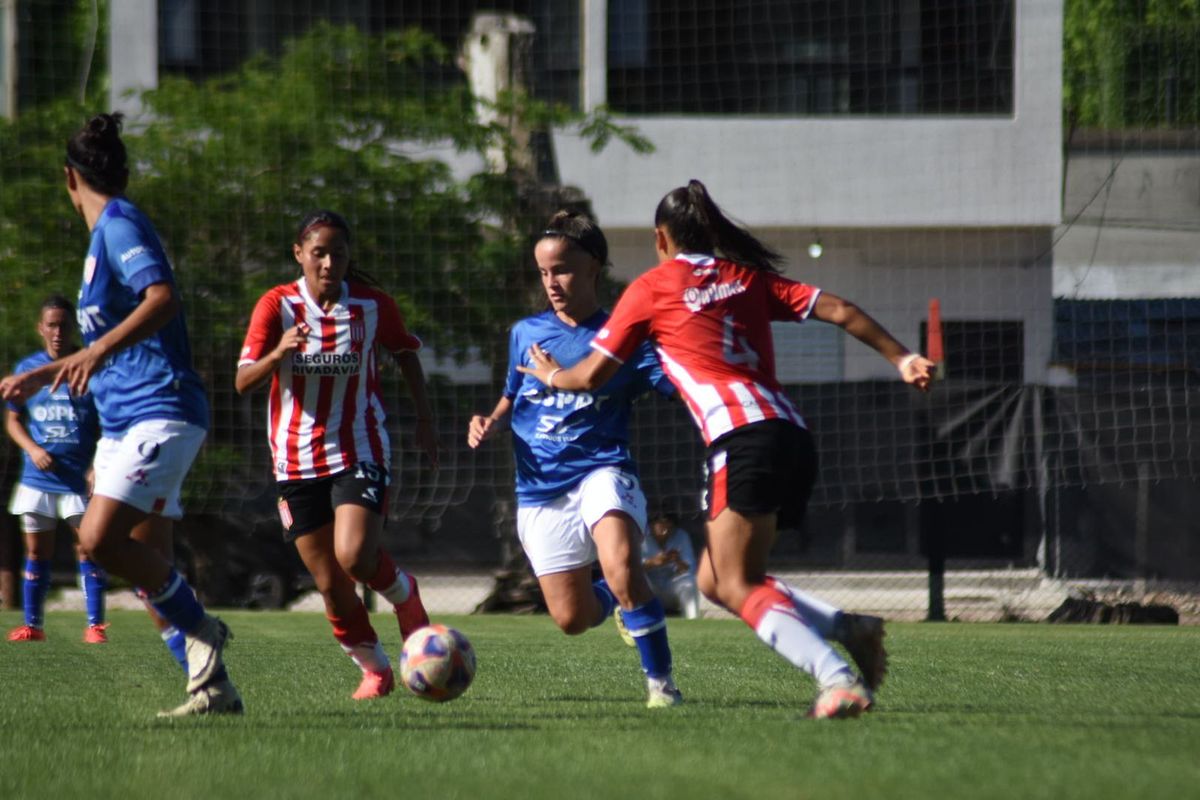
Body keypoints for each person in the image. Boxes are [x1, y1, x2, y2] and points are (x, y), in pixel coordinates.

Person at [518, 180, 935, 719]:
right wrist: (903, 359)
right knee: (717, 578)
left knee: (734, 582)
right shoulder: (744, 278)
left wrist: (554, 376)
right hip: (791, 433)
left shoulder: (652, 288)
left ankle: (836, 678)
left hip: (741, 439)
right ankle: (847, 627)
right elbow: (838, 308)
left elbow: (591, 376)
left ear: (661, 239)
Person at [0, 112, 241, 716]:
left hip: (159, 411)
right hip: (123, 421)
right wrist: (43, 374)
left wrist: (99, 348)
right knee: (146, 568)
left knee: (96, 539)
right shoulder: (101, 237)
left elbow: (162, 299)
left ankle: (205, 629)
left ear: (68, 178)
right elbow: (101, 348)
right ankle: (211, 690)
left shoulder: (118, 224)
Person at [468, 210, 683, 708]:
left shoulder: (625, 335)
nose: (552, 282)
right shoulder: (526, 332)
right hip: (540, 487)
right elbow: (512, 392)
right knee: (571, 619)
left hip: (602, 469)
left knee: (625, 567)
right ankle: (613, 597)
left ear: (594, 267)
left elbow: (676, 385)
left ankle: (662, 686)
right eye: (544, 272)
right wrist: (491, 420)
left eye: (562, 268)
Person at [235, 209, 438, 701]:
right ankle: (374, 667)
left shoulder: (372, 305)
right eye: (319, 252)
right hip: (294, 460)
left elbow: (406, 353)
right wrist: (279, 353)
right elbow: (243, 380)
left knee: (354, 557)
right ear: (299, 254)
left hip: (358, 448)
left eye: (338, 253)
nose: (328, 262)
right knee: (328, 582)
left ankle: (404, 595)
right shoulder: (276, 306)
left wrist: (425, 421)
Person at [6, 295, 106, 644]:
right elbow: (13, 420)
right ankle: (33, 625)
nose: (58, 331)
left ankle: (95, 625)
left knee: (88, 549)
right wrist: (32, 449)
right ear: (41, 329)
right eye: (51, 324)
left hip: (78, 479)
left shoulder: (88, 367)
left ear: (73, 327)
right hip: (37, 480)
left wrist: (96, 465)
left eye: (64, 324)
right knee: (36, 552)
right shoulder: (27, 369)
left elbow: (109, 423)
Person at [642, 513, 700, 620]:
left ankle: (693, 621)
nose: (666, 527)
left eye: (669, 522)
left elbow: (690, 569)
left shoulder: (681, 536)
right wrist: (653, 562)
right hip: (649, 590)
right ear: (652, 524)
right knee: (638, 579)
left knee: (689, 582)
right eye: (661, 522)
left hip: (671, 587)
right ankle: (643, 619)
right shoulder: (641, 538)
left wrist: (678, 561)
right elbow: (632, 569)